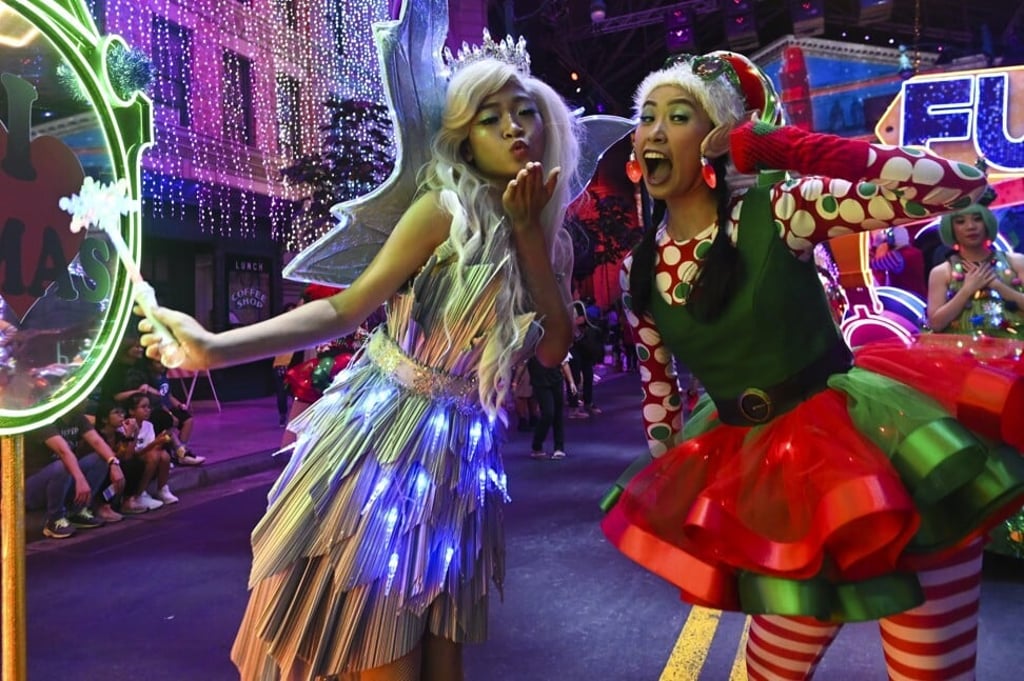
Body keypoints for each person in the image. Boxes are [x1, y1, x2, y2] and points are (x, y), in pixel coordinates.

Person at [138, 35, 579, 680]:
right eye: (491, 118)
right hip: (385, 442)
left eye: (525, 112)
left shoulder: (549, 237)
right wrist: (214, 348)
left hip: (462, 460)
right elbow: (344, 309)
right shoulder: (443, 209)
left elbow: (554, 347)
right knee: (380, 647)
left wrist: (527, 232)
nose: (514, 127)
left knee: (443, 658)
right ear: (465, 139)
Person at [602, 50, 1024, 680]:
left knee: (929, 672)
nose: (656, 130)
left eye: (679, 115)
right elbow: (659, 400)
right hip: (773, 485)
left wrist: (787, 147)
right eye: (647, 117)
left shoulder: (783, 208)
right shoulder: (640, 268)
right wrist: (679, 508)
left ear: (716, 138)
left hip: (887, 453)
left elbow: (959, 186)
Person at [25, 404, 126, 538]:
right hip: (32, 486)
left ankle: (76, 512)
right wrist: (80, 479)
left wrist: (114, 463)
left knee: (100, 459)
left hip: (62, 480)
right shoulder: (46, 419)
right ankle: (54, 519)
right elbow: (63, 451)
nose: (86, 401)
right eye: (82, 398)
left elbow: (97, 441)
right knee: (63, 465)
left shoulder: (78, 418)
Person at [926, 202, 1024, 336]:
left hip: (1014, 344)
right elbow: (936, 324)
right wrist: (967, 289)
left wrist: (997, 286)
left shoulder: (1016, 262)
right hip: (962, 347)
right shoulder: (942, 272)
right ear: (950, 228)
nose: (971, 226)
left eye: (977, 219)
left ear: (987, 223)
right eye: (960, 222)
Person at [526, 352, 574, 460]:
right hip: (539, 382)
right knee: (548, 413)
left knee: (558, 415)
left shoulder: (556, 344)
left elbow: (564, 362)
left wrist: (571, 382)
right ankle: (537, 445)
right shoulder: (530, 344)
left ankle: (559, 447)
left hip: (556, 380)